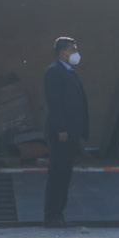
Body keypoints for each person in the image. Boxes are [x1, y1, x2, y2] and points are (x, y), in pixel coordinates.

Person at [43, 37, 88, 227]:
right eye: (73, 49)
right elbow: (55, 104)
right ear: (63, 52)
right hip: (61, 133)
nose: (76, 52)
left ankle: (59, 212)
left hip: (71, 133)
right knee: (58, 174)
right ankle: (52, 215)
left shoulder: (69, 71)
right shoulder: (54, 72)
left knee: (65, 174)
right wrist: (61, 128)